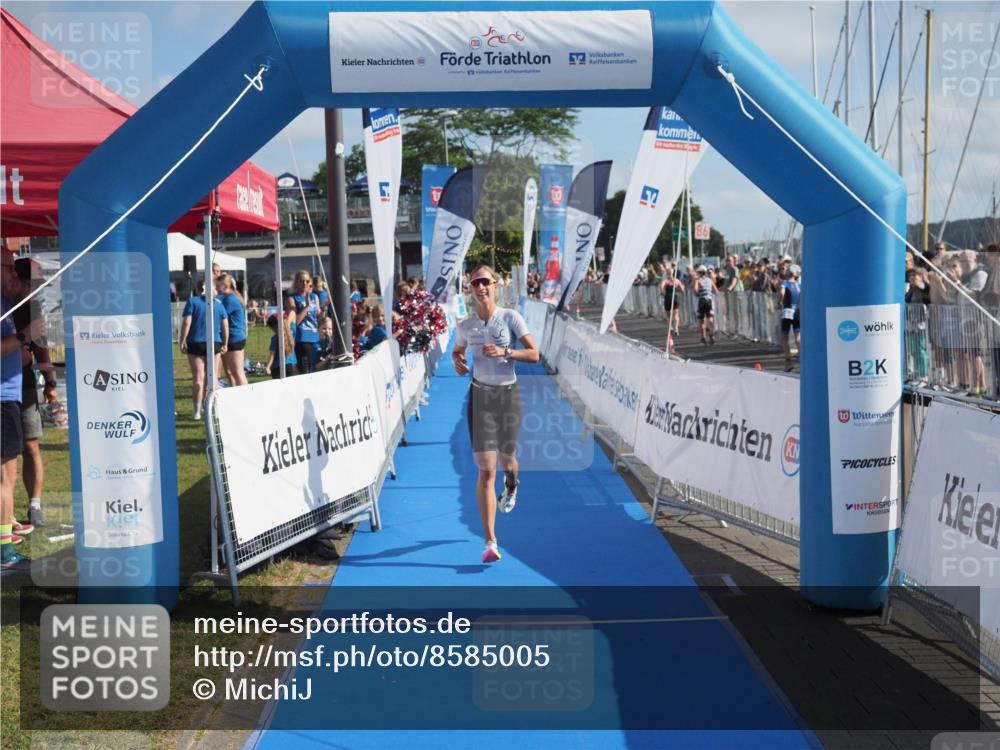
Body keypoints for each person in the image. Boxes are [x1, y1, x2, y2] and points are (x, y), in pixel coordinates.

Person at [451, 265, 539, 564]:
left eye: (485, 282)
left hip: (508, 395)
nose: (481, 287)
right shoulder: (465, 325)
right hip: (481, 396)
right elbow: (458, 351)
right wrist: (458, 360)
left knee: (508, 461)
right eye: (475, 282)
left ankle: (512, 485)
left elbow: (534, 354)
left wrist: (505, 352)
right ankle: (490, 541)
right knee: (487, 470)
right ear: (470, 289)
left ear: (495, 286)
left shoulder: (510, 317)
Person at [12, 258, 56, 529]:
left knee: (30, 445)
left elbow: (41, 347)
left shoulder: (32, 306)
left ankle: (35, 505)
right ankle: (6, 514)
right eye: (33, 283)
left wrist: (50, 381)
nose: (35, 289)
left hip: (25, 384)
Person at [1, 252, 30, 569]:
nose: (14, 273)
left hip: (9, 397)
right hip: (2, 400)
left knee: (7, 477)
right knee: (5, 479)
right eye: (8, 267)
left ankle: (5, 543)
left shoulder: (6, 301)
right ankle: (4, 552)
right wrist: (24, 335)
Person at [178, 281, 227, 419]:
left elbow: (187, 322)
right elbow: (225, 325)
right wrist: (226, 343)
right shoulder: (218, 303)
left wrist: (182, 340)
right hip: (215, 343)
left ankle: (197, 411)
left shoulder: (192, 302)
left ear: (198, 289)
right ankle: (212, 409)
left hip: (195, 343)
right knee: (213, 379)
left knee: (198, 379)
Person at [215, 273, 248, 387]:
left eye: (218, 286)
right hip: (229, 338)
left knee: (237, 372)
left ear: (225, 286)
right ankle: (234, 394)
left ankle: (246, 395)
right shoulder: (226, 298)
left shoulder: (230, 300)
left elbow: (220, 316)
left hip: (235, 338)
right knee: (229, 372)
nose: (216, 289)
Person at [287, 271, 320, 374]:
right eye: (301, 281)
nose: (304, 283)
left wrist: (325, 308)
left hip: (315, 336)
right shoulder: (292, 298)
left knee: (317, 367)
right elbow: (294, 321)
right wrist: (306, 307)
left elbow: (318, 315)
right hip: (303, 338)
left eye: (307, 281)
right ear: (296, 283)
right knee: (306, 370)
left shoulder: (314, 296)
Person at [778, 266, 801, 372]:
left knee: (785, 337)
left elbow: (782, 293)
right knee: (798, 336)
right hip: (797, 311)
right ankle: (802, 359)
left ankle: (788, 361)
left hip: (787, 311)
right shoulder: (798, 284)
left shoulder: (785, 283)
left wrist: (780, 301)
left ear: (789, 274)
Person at [266, 312, 298, 378]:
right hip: (292, 366)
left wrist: (268, 367)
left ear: (275, 327)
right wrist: (287, 324)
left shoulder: (275, 338)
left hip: (277, 368)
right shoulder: (291, 332)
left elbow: (272, 355)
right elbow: (292, 313)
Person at [659, 262, 684, 346]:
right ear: (673, 273)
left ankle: (671, 327)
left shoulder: (665, 281)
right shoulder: (676, 280)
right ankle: (676, 328)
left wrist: (662, 292)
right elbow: (682, 288)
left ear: (667, 273)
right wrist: (680, 290)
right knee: (676, 314)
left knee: (668, 314)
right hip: (675, 297)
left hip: (668, 298)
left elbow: (661, 287)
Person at [694, 266, 718, 345]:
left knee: (701, 320)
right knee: (710, 317)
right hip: (709, 300)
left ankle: (703, 337)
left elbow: (695, 290)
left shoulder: (698, 280)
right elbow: (716, 291)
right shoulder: (710, 280)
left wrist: (697, 292)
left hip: (701, 300)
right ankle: (711, 333)